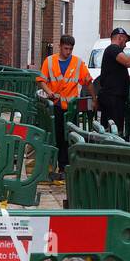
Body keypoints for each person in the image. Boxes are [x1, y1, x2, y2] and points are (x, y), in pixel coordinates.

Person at [36, 34, 93, 173]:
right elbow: (40, 80)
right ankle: (59, 166)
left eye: (70, 49)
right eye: (66, 48)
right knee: (58, 137)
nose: (68, 52)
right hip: (55, 106)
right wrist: (49, 92)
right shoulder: (49, 61)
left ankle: (65, 167)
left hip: (70, 109)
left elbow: (88, 81)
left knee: (69, 138)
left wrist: (94, 99)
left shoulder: (78, 63)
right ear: (60, 46)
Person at [97, 27, 130, 137]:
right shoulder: (113, 49)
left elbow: (123, 77)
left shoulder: (113, 53)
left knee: (113, 129)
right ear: (120, 37)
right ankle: (111, 150)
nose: (125, 45)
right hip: (112, 98)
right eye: (125, 41)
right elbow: (129, 62)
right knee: (114, 131)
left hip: (114, 98)